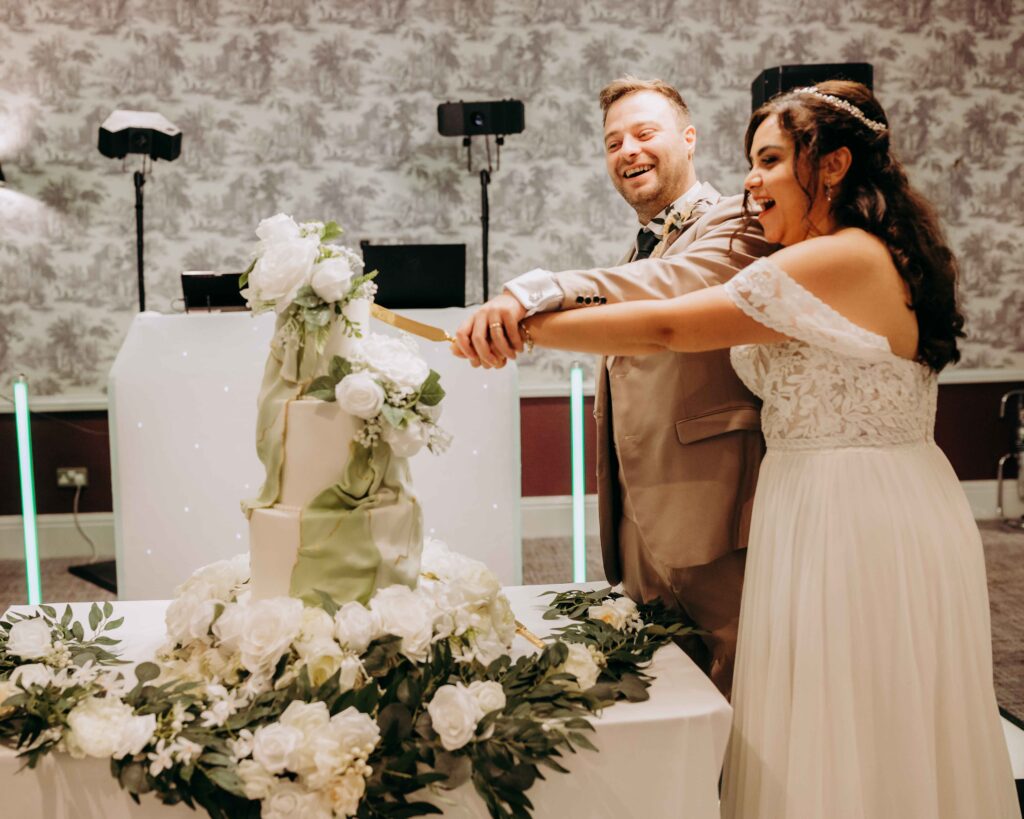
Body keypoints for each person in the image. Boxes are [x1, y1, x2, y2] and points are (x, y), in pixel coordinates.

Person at [513, 81, 1021, 818]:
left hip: (852, 513)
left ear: (834, 165)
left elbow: (667, 325)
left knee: (851, 707)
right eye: (753, 161)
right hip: (829, 500)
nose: (751, 180)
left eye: (772, 159)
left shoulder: (841, 258)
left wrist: (523, 324)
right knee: (848, 712)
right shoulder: (846, 255)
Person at [454, 78, 772, 698]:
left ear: (688, 138)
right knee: (676, 690)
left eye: (645, 133)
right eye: (613, 142)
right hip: (640, 517)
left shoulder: (738, 219)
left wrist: (537, 293)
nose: (629, 150)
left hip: (715, 509)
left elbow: (668, 289)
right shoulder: (640, 247)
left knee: (742, 684)